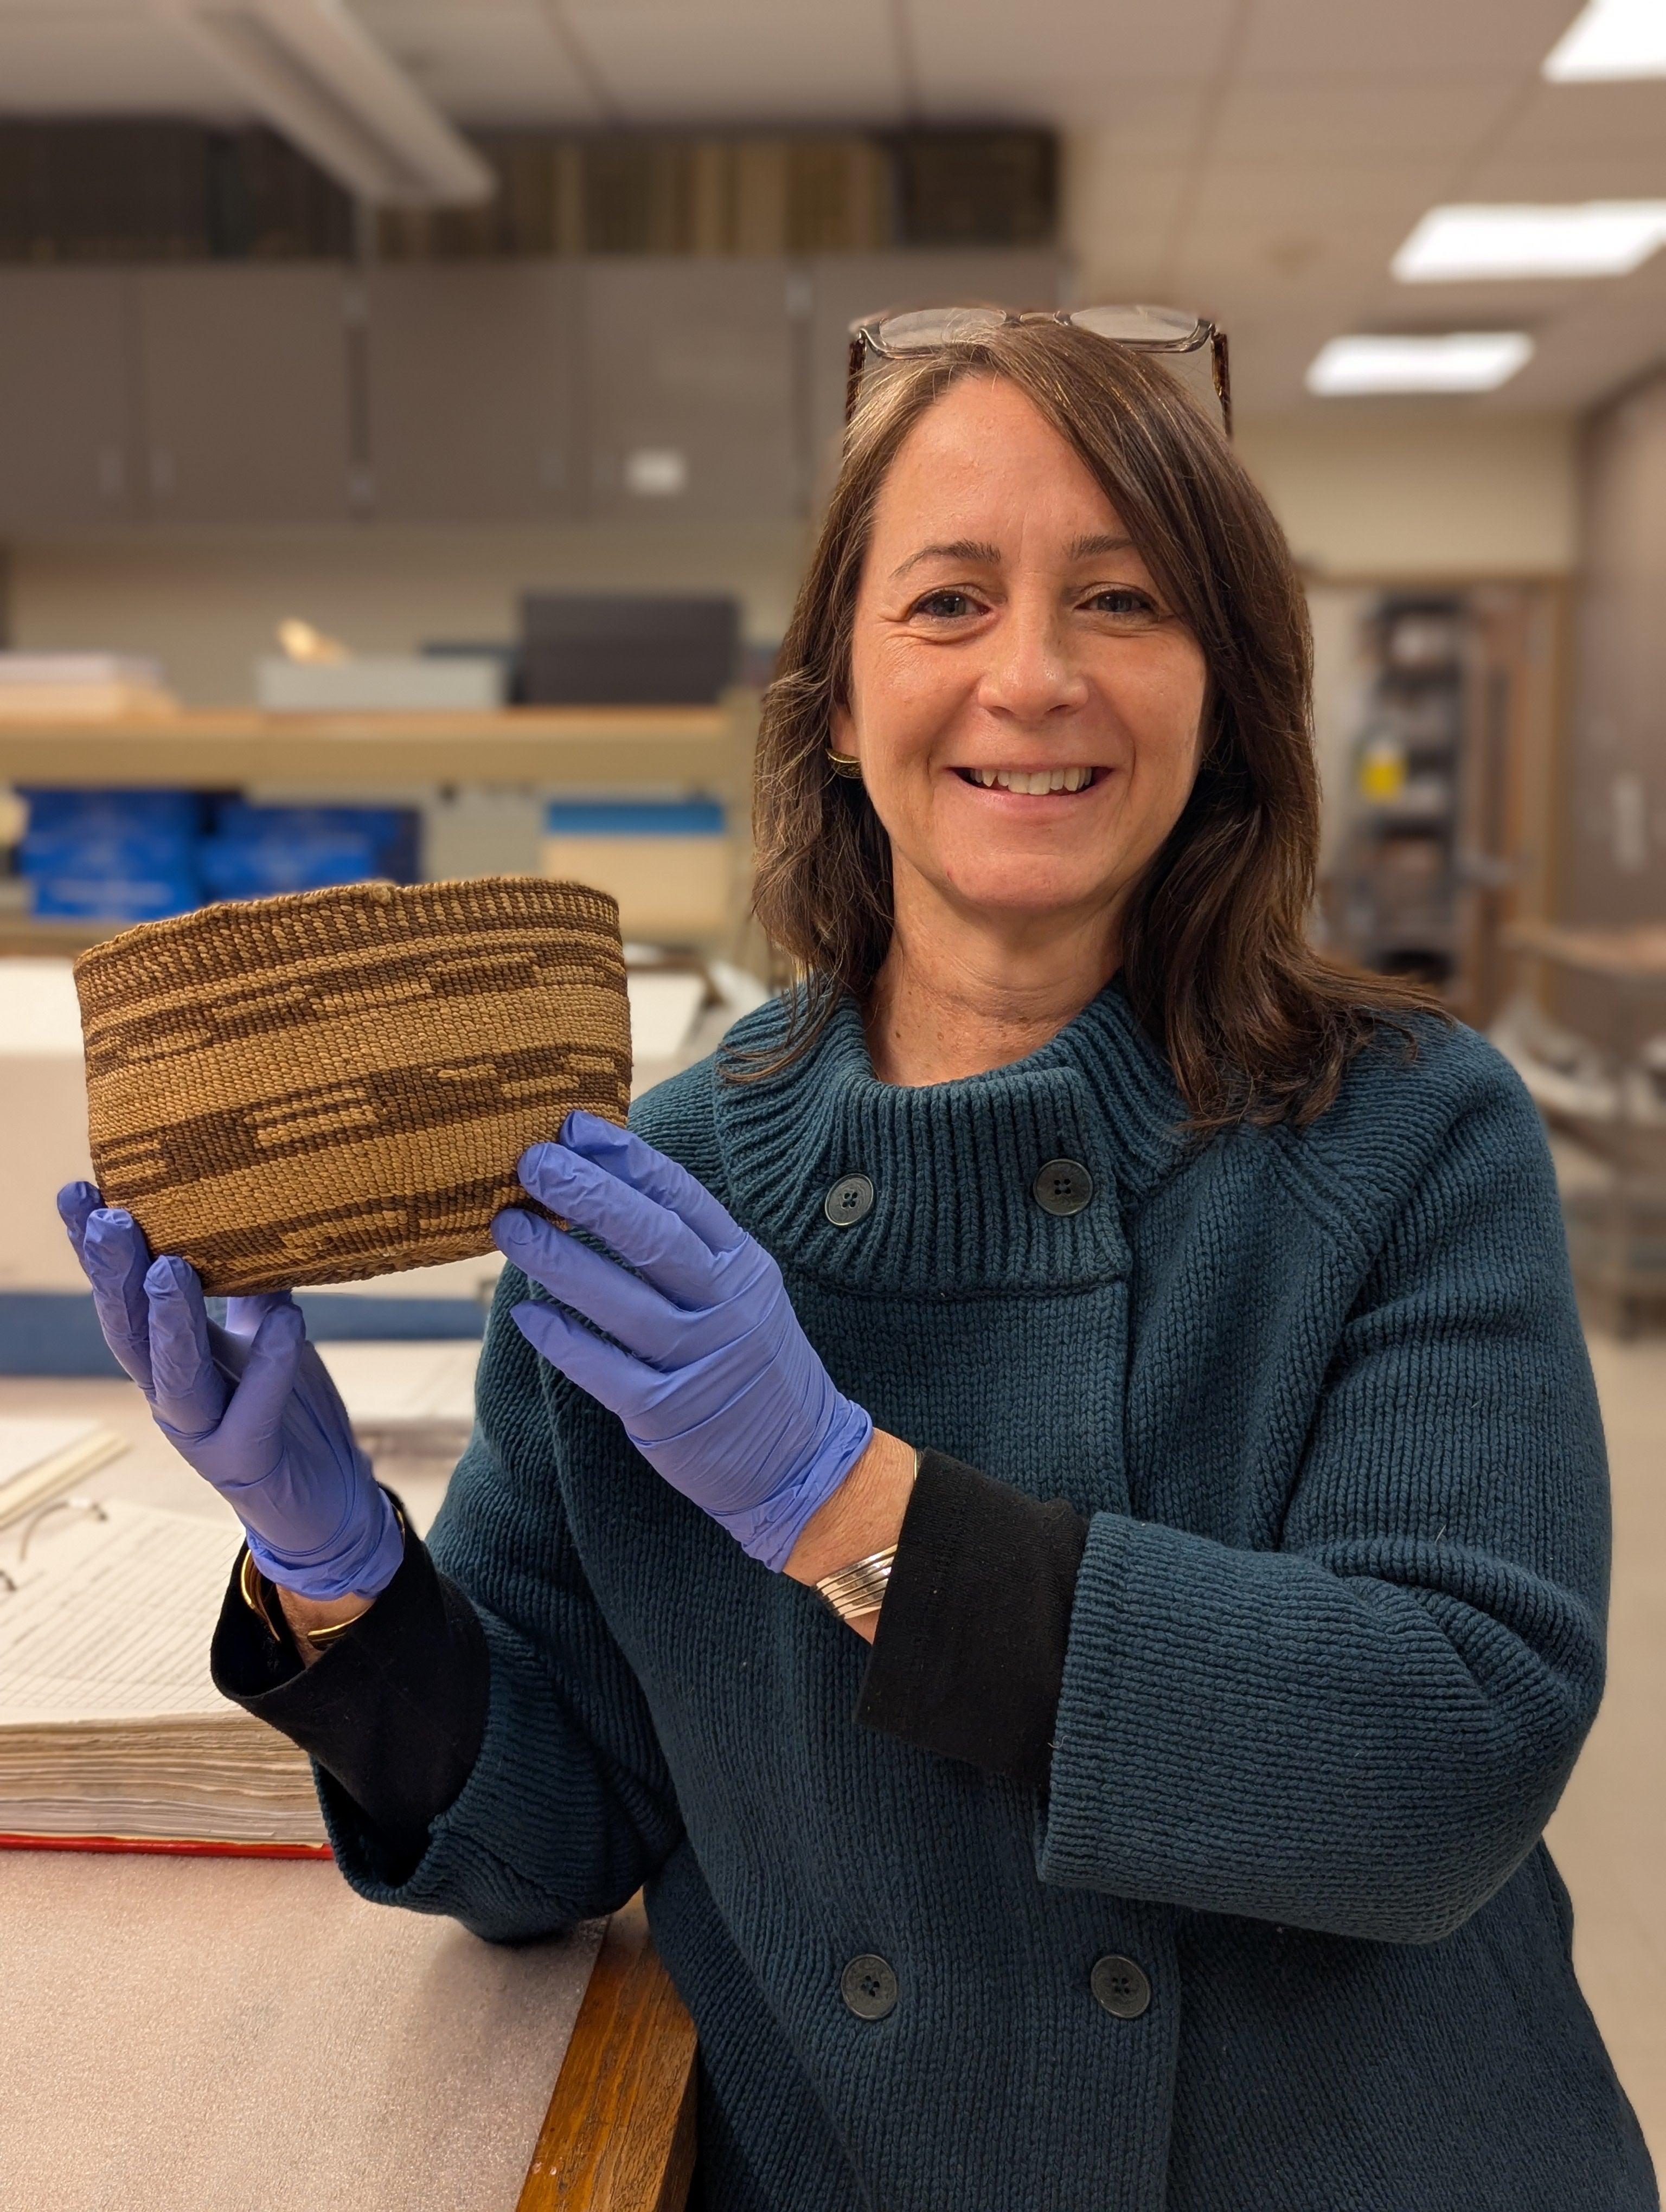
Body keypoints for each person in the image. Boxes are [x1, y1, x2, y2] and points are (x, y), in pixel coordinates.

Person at [61, 318, 1656, 2212]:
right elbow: (549, 1832)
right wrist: (340, 1575)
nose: (1035, 676)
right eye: (950, 601)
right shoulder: (658, 1186)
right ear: (833, 699)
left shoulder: (1405, 1133)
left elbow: (1443, 1758)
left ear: (1225, 688)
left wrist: (844, 1504)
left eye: (1125, 600)